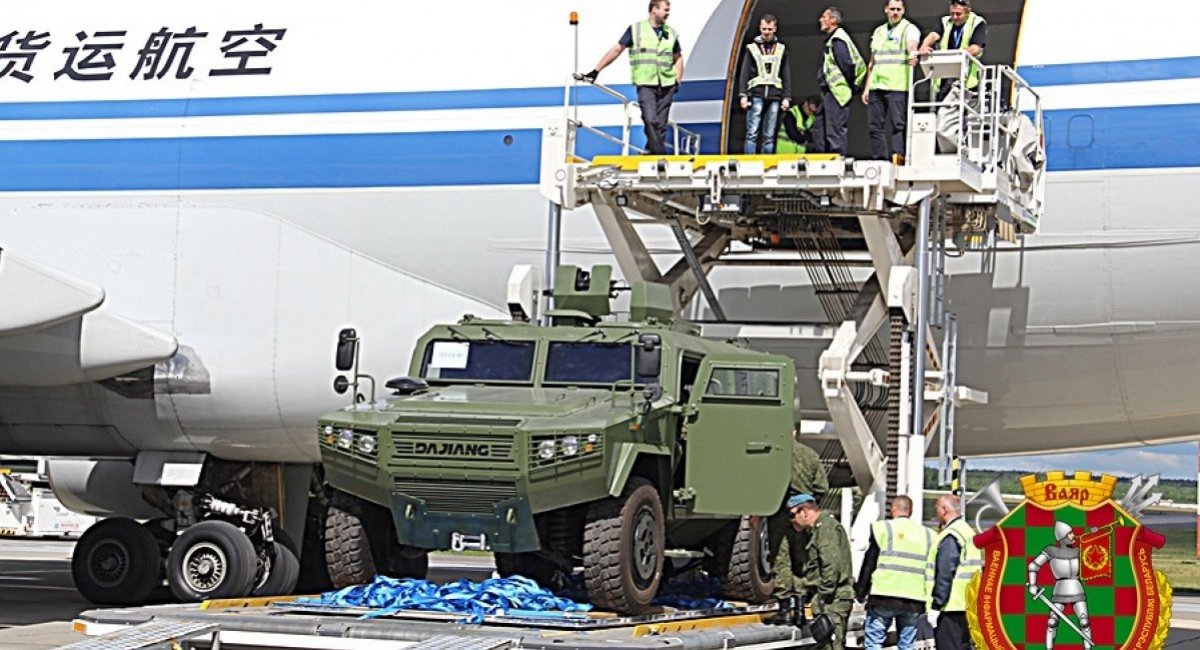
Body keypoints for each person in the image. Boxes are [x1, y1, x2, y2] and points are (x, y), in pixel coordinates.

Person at [582, 0, 683, 155]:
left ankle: (652, 151)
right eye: (666, 10)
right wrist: (596, 70)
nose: (668, 13)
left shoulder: (671, 33)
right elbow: (617, 49)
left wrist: (678, 80)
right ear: (654, 10)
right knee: (650, 119)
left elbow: (678, 57)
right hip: (646, 83)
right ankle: (659, 153)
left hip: (667, 83)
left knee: (661, 125)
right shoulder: (636, 30)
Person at [854, 496, 933, 650]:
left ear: (893, 509)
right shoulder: (928, 535)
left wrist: (860, 593)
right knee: (907, 644)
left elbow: (869, 562)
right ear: (911, 511)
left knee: (874, 642)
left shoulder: (883, 529)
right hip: (914, 599)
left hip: (884, 596)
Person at [766, 431, 829, 622]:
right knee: (802, 559)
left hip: (778, 512)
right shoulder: (810, 455)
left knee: (781, 558)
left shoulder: (772, 455)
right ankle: (801, 608)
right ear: (794, 432)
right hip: (804, 513)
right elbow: (822, 487)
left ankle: (784, 608)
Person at [790, 493, 853, 650]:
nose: (791, 520)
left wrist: (822, 595)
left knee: (832, 646)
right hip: (829, 598)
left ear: (804, 511)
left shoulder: (825, 528)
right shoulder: (819, 529)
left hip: (833, 599)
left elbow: (831, 566)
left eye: (792, 514)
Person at [861, 0, 919, 161]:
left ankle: (898, 158)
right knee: (875, 127)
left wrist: (914, 55)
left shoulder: (909, 29)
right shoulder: (879, 31)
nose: (895, 12)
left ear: (903, 10)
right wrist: (867, 87)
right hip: (876, 86)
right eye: (892, 9)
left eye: (898, 9)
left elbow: (912, 46)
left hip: (897, 86)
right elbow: (872, 62)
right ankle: (880, 159)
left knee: (898, 125)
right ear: (886, 10)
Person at [926, 494, 983, 650]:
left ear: (944, 509)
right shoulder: (968, 532)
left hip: (951, 606)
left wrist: (936, 606)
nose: (936, 513)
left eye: (937, 509)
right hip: (967, 604)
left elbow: (945, 572)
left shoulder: (951, 534)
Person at [1028, 521, 1093, 649]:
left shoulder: (1078, 551)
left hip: (1076, 587)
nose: (1073, 536)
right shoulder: (1051, 550)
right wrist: (1032, 584)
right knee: (1052, 623)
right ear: (1062, 536)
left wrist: (1096, 534)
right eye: (1070, 534)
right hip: (1060, 590)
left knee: (1084, 622)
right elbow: (1033, 565)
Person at [811, 6, 865, 156]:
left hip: (837, 91)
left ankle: (837, 158)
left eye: (824, 17)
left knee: (835, 129)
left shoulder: (838, 41)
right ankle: (823, 156)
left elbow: (846, 65)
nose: (820, 20)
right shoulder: (834, 39)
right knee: (820, 127)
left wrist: (849, 87)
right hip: (831, 91)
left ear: (833, 20)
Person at [737, 14, 792, 154]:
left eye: (769, 29)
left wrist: (787, 97)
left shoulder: (781, 49)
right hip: (756, 94)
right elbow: (744, 73)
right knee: (752, 132)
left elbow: (786, 74)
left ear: (775, 29)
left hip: (775, 95)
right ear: (760, 29)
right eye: (764, 29)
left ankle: (766, 162)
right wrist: (743, 95)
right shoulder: (752, 48)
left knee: (769, 135)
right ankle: (749, 161)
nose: (766, 32)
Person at [918, 0, 987, 101]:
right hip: (944, 75)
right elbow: (933, 35)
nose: (954, 17)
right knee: (941, 110)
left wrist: (958, 55)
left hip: (965, 79)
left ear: (968, 12)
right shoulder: (945, 21)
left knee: (957, 113)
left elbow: (976, 47)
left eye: (958, 14)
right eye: (952, 14)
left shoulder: (977, 22)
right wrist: (924, 46)